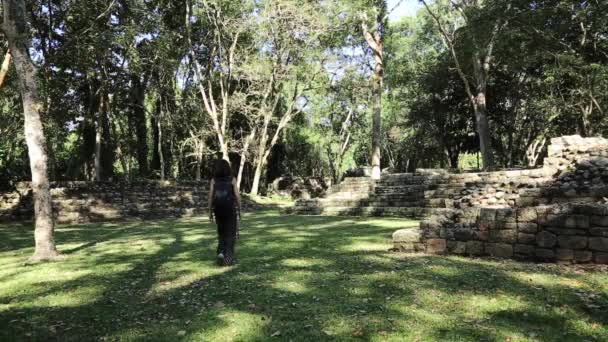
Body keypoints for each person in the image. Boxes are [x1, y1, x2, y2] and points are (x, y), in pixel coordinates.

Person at [208, 159, 241, 266]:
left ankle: (221, 253)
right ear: (228, 168)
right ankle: (228, 259)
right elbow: (237, 195)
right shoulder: (232, 179)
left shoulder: (214, 180)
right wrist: (239, 207)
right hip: (230, 209)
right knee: (230, 233)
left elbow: (210, 196)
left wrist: (210, 211)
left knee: (221, 232)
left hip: (218, 209)